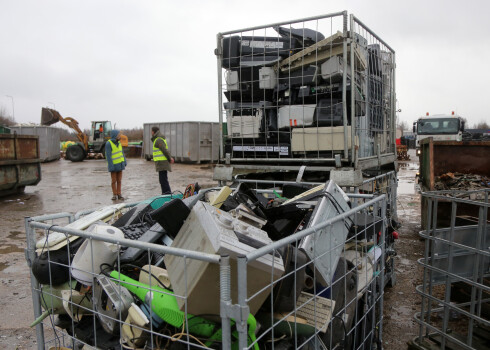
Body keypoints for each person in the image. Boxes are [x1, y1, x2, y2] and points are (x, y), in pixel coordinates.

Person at [151, 126, 174, 194]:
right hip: (161, 162)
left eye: (151, 131)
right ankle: (166, 193)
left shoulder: (158, 140)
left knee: (163, 180)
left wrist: (170, 158)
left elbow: (164, 150)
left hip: (162, 162)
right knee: (163, 179)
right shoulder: (158, 139)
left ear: (153, 132)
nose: (151, 133)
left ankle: (167, 193)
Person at [105, 129, 127, 200]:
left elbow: (122, 153)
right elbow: (108, 156)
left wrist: (124, 161)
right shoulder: (109, 144)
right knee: (114, 181)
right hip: (114, 166)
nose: (120, 136)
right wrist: (111, 166)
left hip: (120, 165)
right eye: (118, 135)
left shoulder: (119, 143)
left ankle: (119, 194)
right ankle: (114, 194)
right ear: (115, 136)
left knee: (119, 180)